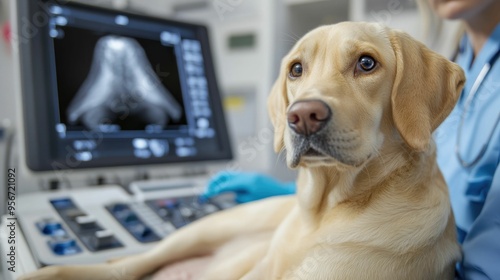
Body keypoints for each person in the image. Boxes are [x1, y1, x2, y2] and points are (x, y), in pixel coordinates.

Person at [204, 0, 500, 278]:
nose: (306, 111)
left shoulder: (417, 64)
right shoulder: (455, 60)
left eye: (365, 64)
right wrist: (289, 189)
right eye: (297, 70)